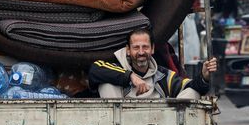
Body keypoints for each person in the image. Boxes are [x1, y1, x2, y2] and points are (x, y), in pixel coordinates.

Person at [88, 28, 217, 98]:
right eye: (136, 47)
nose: (141, 52)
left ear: (152, 49)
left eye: (145, 47)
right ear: (127, 50)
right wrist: (131, 77)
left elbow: (191, 86)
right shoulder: (117, 69)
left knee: (192, 92)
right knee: (106, 84)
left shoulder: (163, 76)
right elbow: (95, 69)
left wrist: (204, 77)